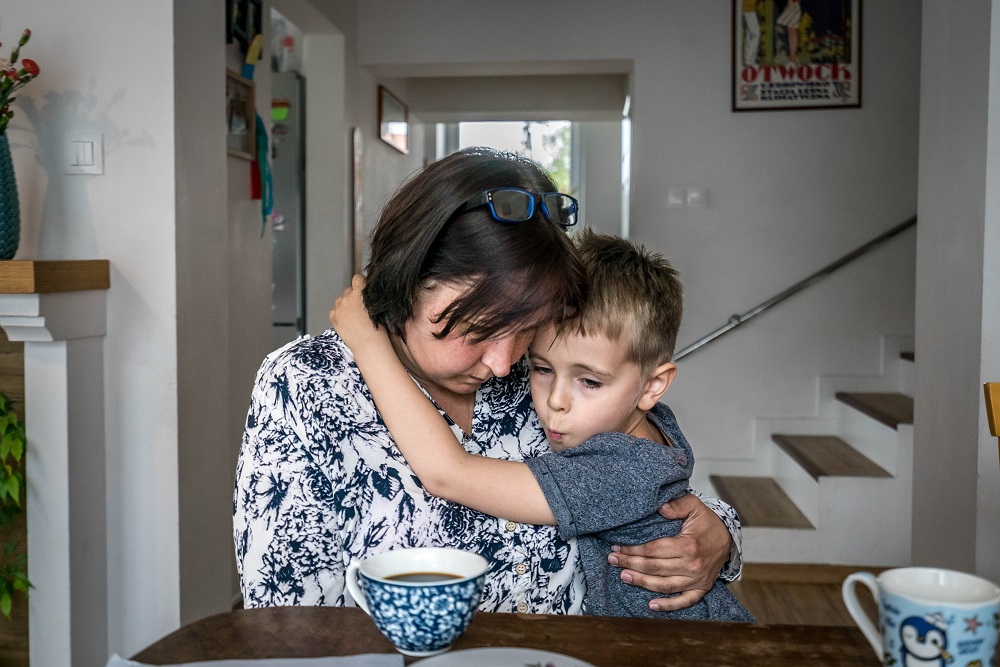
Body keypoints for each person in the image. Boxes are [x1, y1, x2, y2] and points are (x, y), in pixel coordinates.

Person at [234, 148, 742, 615]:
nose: (504, 363)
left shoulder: (551, 370)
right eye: (480, 329)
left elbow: (649, 487)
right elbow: (287, 619)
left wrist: (720, 535)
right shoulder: (307, 384)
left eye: (525, 329)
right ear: (408, 280)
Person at [331, 229, 753, 621]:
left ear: (653, 385)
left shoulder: (616, 471)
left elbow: (448, 474)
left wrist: (369, 343)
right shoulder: (645, 421)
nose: (556, 401)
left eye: (589, 381)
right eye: (542, 368)